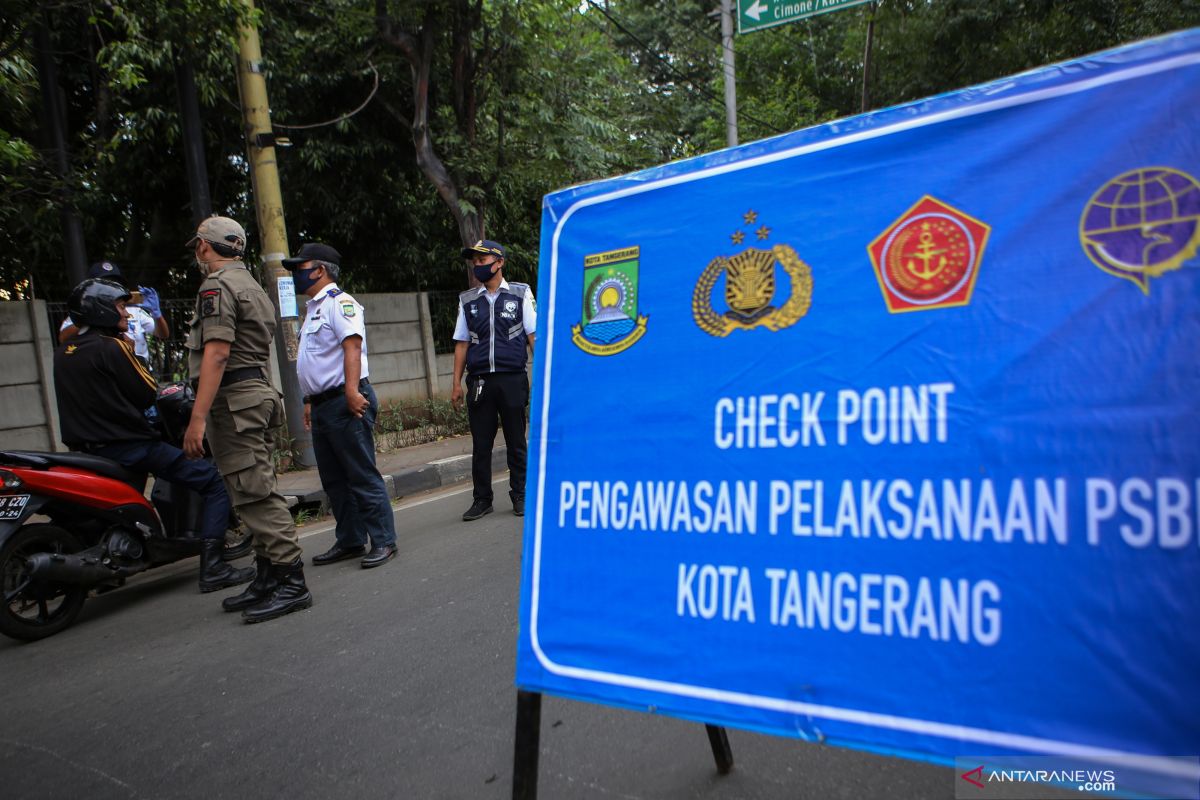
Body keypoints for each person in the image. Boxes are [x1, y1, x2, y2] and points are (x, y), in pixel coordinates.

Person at [52, 278, 254, 594]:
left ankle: (108, 569)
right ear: (101, 309)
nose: (127, 314)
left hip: (87, 451)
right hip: (130, 446)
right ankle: (214, 567)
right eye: (121, 307)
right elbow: (146, 392)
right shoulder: (114, 346)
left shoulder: (63, 352)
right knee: (212, 482)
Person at [182, 215, 312, 624]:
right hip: (255, 394)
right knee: (248, 489)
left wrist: (196, 419)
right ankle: (269, 575)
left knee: (255, 492)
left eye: (198, 246)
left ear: (205, 246)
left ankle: (291, 581)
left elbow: (217, 354)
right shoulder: (252, 285)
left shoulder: (217, 286)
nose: (198, 253)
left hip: (235, 401)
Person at [284, 243, 398, 569]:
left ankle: (384, 541)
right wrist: (309, 400)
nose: (295, 274)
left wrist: (350, 391)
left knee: (361, 475)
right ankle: (350, 540)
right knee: (334, 480)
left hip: (345, 400)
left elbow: (352, 348)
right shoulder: (313, 309)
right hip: (323, 405)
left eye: (300, 267)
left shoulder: (341, 303)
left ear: (319, 270)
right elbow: (316, 361)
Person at [451, 239, 536, 521]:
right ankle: (482, 499)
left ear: (499, 262)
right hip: (479, 382)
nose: (477, 266)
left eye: (482, 260)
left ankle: (520, 494)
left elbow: (533, 336)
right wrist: (455, 384)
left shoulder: (520, 294)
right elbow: (462, 343)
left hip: (512, 378)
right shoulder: (468, 300)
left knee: (516, 441)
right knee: (481, 444)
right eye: (474, 261)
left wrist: (548, 377)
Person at [59, 261, 169, 366]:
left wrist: (156, 315)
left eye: (114, 282)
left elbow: (163, 334)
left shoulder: (133, 309)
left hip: (139, 368)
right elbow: (63, 338)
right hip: (108, 370)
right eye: (105, 282)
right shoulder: (84, 311)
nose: (111, 287)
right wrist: (91, 317)